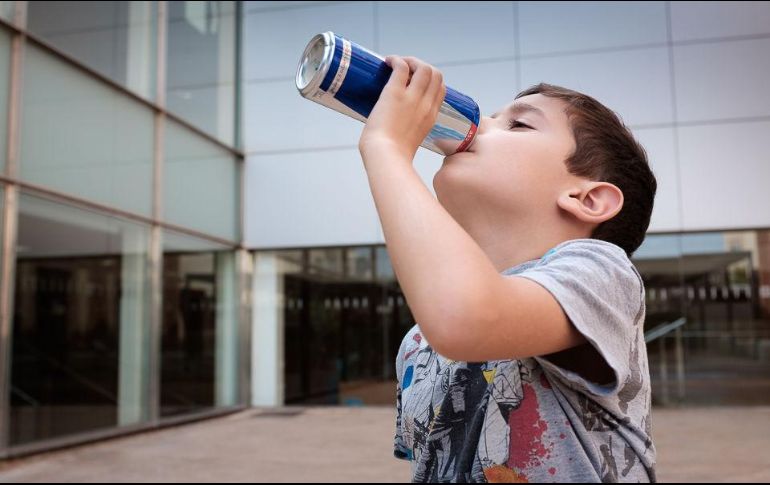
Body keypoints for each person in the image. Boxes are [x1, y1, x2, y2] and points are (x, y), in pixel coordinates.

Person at [357, 55, 657, 482]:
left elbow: (470, 318)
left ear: (587, 199)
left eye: (518, 124)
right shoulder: (419, 343)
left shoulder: (600, 271)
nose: (480, 125)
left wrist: (386, 147)